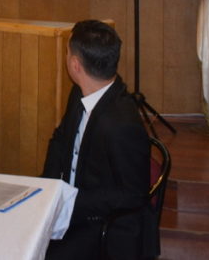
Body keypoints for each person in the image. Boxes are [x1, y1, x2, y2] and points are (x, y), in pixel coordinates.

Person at [41, 20, 155, 260]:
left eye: (67, 52)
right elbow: (60, 139)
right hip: (74, 212)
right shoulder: (79, 91)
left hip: (104, 229)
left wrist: (73, 202)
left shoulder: (122, 125)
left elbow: (133, 195)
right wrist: (50, 189)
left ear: (75, 65)